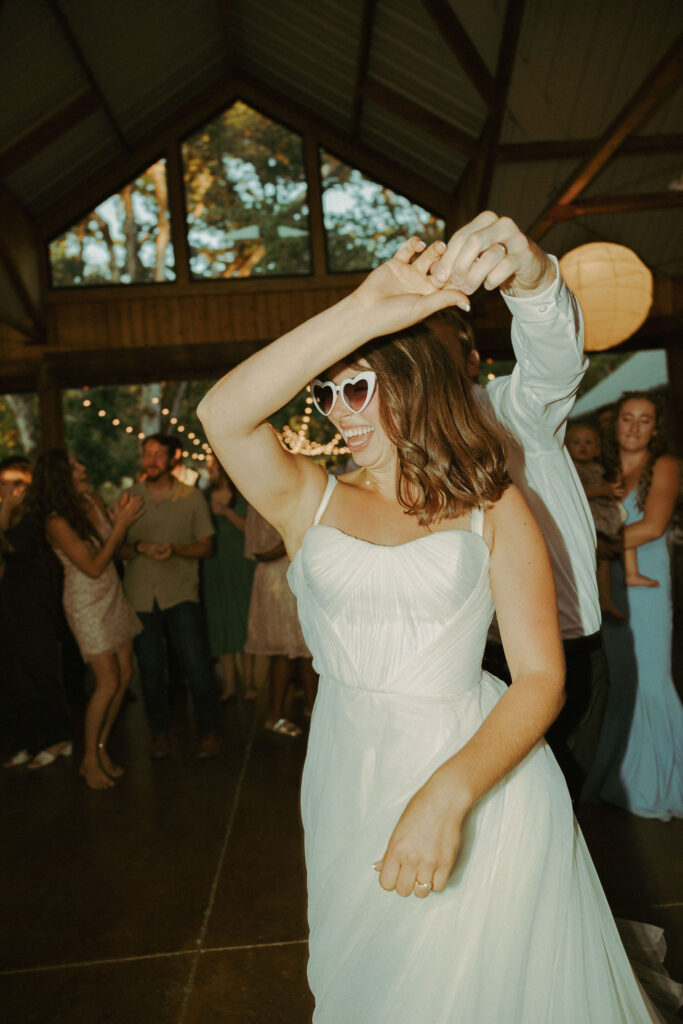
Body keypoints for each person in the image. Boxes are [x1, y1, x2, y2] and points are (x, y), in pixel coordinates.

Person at [197, 212, 665, 1022]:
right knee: (369, 981)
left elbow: (540, 678)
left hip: (475, 769)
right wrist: (367, 303)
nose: (337, 411)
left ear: (410, 382)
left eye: (356, 387)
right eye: (326, 392)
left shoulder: (492, 504)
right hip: (347, 770)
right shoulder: (309, 498)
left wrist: (447, 794)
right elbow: (223, 415)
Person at [425, 270, 606, 802]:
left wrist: (533, 278)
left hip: (564, 650)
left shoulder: (515, 412)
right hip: (473, 659)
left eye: (439, 360)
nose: (429, 376)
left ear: (473, 363)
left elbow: (555, 366)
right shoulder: (415, 448)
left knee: (555, 811)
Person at [584, 392, 682, 820]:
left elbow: (654, 525)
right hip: (606, 580)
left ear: (655, 428)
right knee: (622, 682)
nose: (635, 427)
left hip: (647, 585)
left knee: (650, 679)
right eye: (628, 418)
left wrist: (600, 544)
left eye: (645, 420)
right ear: (615, 424)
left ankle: (657, 782)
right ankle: (620, 776)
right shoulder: (599, 470)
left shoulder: (665, 466)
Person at [31, 450, 143, 789]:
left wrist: (136, 542)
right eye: (75, 465)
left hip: (112, 591)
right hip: (85, 599)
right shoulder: (55, 521)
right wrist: (121, 525)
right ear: (61, 477)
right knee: (107, 681)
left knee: (124, 675)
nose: (83, 467)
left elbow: (113, 550)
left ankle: (100, 747)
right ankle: (89, 760)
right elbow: (92, 567)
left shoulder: (93, 500)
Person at [119, 434, 223, 760]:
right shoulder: (128, 498)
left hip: (180, 593)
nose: (151, 460)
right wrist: (138, 547)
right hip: (139, 596)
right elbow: (113, 549)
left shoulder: (190, 497)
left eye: (158, 454)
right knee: (150, 670)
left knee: (196, 666)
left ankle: (209, 732)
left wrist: (176, 549)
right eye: (147, 454)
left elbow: (207, 546)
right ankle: (159, 734)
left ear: (173, 458)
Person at [0, 456, 74, 769]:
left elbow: (9, 548)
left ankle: (57, 738)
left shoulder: (35, 518)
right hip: (11, 604)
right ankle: (27, 741)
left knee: (39, 671)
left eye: (16, 483)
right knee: (14, 674)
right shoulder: (12, 516)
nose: (8, 489)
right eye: (4, 482)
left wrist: (3, 511)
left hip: (35, 604)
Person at [566, 421, 657, 620]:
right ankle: (601, 597)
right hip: (587, 515)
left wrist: (612, 487)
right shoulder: (571, 470)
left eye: (588, 443)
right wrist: (604, 491)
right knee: (600, 555)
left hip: (603, 514)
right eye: (576, 442)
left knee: (610, 553)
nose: (582, 446)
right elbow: (576, 494)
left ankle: (608, 595)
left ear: (597, 450)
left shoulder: (597, 468)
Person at [244, 506, 316, 736]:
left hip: (299, 577)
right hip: (276, 581)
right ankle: (275, 715)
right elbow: (259, 552)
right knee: (284, 651)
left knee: (308, 649)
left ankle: (315, 709)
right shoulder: (258, 502)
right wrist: (297, 536)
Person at [201, 454, 257, 700]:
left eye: (211, 462)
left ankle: (249, 682)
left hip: (240, 561)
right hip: (214, 564)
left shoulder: (245, 492)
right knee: (220, 621)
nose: (207, 466)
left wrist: (224, 511)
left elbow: (249, 528)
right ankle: (229, 684)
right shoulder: (202, 496)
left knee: (242, 618)